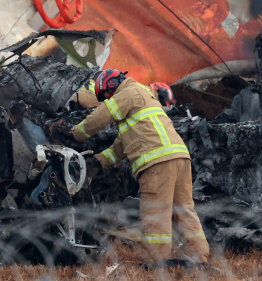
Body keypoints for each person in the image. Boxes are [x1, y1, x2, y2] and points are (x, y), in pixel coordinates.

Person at [70, 69, 209, 266]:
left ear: (112, 85)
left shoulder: (127, 93)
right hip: (180, 158)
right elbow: (123, 144)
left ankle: (157, 262)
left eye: (107, 96)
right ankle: (199, 258)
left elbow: (101, 116)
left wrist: (75, 134)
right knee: (184, 211)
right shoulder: (144, 95)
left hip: (157, 162)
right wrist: (99, 161)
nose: (108, 100)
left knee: (156, 213)